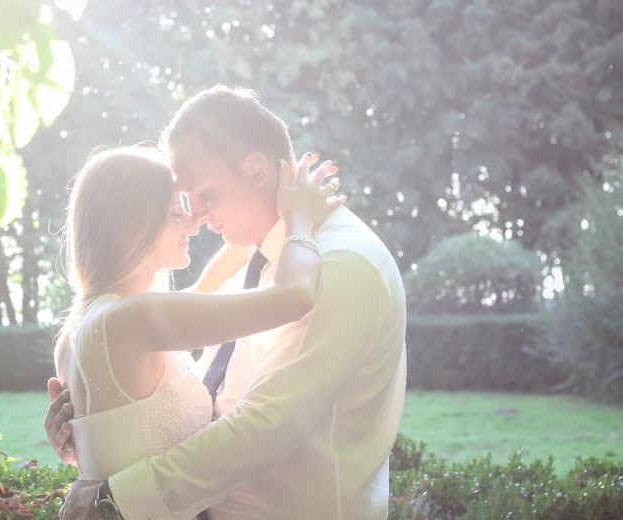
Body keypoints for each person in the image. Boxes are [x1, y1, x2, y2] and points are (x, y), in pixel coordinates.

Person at [47, 85, 407, 520]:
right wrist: (99, 424)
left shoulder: (341, 265)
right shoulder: (255, 260)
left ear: (256, 170)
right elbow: (203, 401)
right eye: (182, 202)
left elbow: (267, 426)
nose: (195, 216)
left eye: (204, 195)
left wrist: (115, 498)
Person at [53, 145, 344, 495]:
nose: (193, 223)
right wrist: (299, 218)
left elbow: (208, 284)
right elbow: (294, 296)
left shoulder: (80, 330)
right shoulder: (132, 320)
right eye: (176, 212)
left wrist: (263, 203)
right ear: (132, 224)